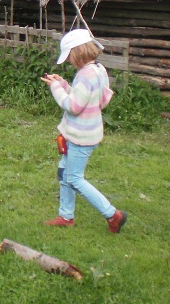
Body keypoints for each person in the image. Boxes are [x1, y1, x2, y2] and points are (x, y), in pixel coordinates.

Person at [40, 28, 127, 233]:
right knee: (64, 173)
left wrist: (56, 89)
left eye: (69, 56)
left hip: (81, 138)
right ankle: (66, 216)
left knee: (74, 178)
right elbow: (90, 99)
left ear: (77, 52)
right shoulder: (98, 70)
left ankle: (113, 215)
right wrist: (62, 84)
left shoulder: (86, 75)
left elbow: (73, 106)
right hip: (82, 133)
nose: (69, 61)